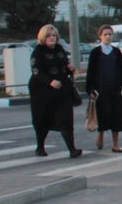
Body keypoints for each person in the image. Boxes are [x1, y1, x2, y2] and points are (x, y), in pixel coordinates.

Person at [29, 24, 82, 159]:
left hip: (61, 90)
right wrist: (50, 81)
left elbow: (64, 66)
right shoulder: (38, 52)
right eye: (49, 36)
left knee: (66, 119)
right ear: (43, 37)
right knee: (42, 120)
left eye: (54, 35)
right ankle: (40, 147)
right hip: (42, 92)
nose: (52, 38)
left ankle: (72, 149)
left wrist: (70, 68)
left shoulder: (59, 49)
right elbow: (36, 71)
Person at [86, 24, 122, 152]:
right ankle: (101, 136)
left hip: (114, 90)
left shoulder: (116, 51)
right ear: (100, 36)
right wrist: (91, 89)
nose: (108, 37)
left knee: (117, 117)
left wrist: (120, 83)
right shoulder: (95, 52)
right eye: (105, 34)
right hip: (101, 90)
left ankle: (115, 144)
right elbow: (91, 72)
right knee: (103, 115)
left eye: (110, 34)